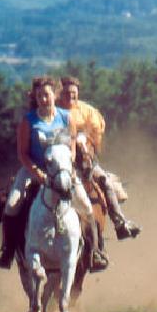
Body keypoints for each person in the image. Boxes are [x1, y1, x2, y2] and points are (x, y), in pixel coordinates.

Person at [0, 76, 107, 271]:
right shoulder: (28, 121)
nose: (43, 99)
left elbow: (71, 144)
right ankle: (7, 251)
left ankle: (95, 251)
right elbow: (22, 153)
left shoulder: (65, 117)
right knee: (11, 205)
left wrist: (68, 164)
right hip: (33, 169)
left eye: (46, 95)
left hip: (61, 170)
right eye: (39, 96)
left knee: (87, 207)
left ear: (55, 95)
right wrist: (36, 172)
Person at [57, 76, 141, 244]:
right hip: (59, 162)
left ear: (78, 93)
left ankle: (119, 223)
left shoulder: (88, 112)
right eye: (66, 93)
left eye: (73, 93)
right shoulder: (54, 111)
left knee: (105, 181)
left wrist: (86, 145)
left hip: (85, 160)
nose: (70, 96)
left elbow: (97, 138)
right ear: (61, 94)